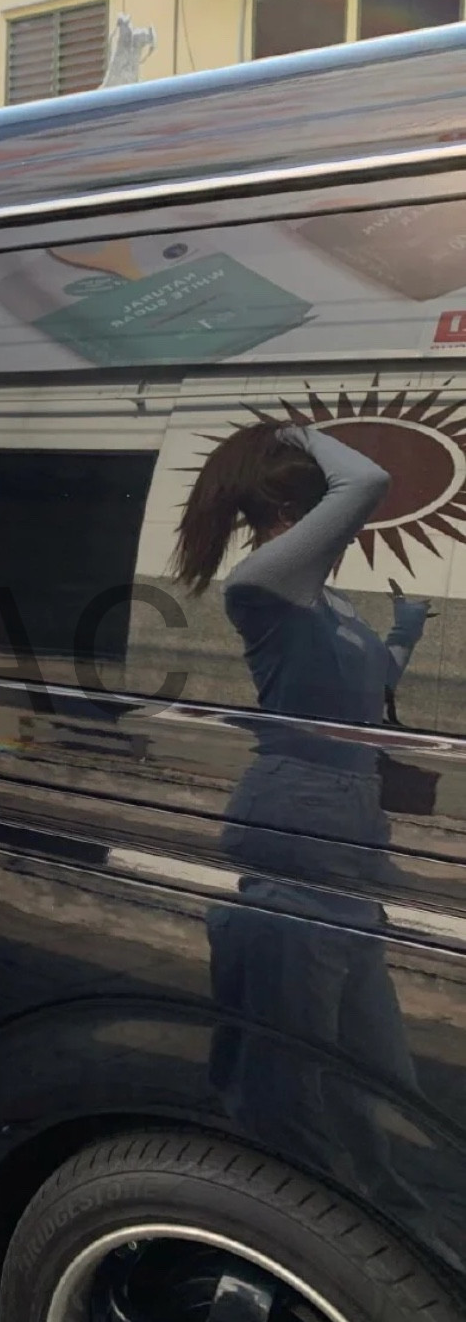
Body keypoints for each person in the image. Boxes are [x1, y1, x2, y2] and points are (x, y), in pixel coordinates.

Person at [174, 419, 439, 1242]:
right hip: (299, 812)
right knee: (293, 1060)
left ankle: (389, 1218)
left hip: (353, 821)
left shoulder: (325, 600)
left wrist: (403, 633)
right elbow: (367, 483)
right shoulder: (263, 583)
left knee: (375, 1062)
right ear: (297, 511)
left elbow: (365, 685)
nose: (348, 530)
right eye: (330, 516)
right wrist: (300, 431)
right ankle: (300, 1225)